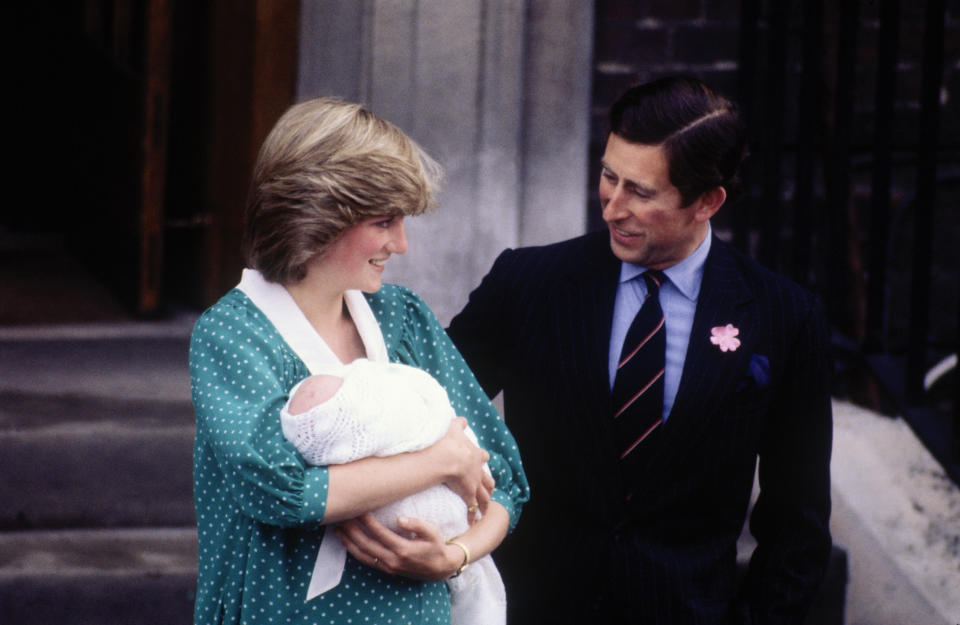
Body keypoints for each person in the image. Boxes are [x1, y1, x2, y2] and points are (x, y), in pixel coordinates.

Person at [447, 76, 833, 624]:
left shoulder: (784, 317)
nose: (611, 207)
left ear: (708, 201)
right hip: (530, 607)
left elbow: (798, 520)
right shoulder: (527, 282)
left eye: (641, 192)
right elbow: (424, 411)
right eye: (609, 176)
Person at [188, 97, 529, 625]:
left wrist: (453, 557)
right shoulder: (233, 333)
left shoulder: (402, 317)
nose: (401, 243)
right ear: (317, 216)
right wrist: (442, 460)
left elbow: (504, 480)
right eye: (383, 222)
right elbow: (283, 492)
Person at [280, 359, 507, 625]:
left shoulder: (406, 323)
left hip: (434, 598)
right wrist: (444, 460)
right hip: (319, 608)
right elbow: (288, 494)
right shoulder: (241, 337)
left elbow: (505, 489)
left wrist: (457, 555)